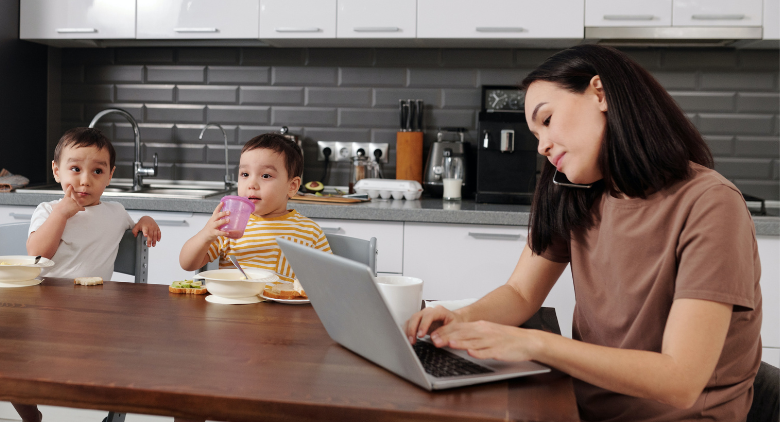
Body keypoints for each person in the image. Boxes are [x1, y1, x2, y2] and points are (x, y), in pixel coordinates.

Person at [405, 44, 761, 422]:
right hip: (579, 407)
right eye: (535, 133)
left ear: (600, 93)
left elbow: (681, 379)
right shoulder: (578, 194)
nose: (541, 145)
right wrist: (462, 319)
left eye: (547, 120)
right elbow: (520, 292)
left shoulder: (710, 203)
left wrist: (533, 343)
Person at [16, 127, 162, 422]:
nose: (85, 180)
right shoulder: (47, 209)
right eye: (75, 169)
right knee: (14, 366)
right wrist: (62, 213)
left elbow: (133, 230)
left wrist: (145, 220)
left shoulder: (116, 212)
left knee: (121, 355)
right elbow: (38, 253)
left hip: (96, 313)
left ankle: (111, 410)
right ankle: (30, 415)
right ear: (57, 172)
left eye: (97, 171)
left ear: (110, 176)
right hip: (45, 308)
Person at [179, 132, 331, 282]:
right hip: (234, 304)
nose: (251, 184)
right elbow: (188, 264)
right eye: (245, 174)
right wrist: (206, 234)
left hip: (282, 306)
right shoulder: (229, 226)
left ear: (292, 186)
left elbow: (328, 280)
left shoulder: (310, 232)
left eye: (265, 176)